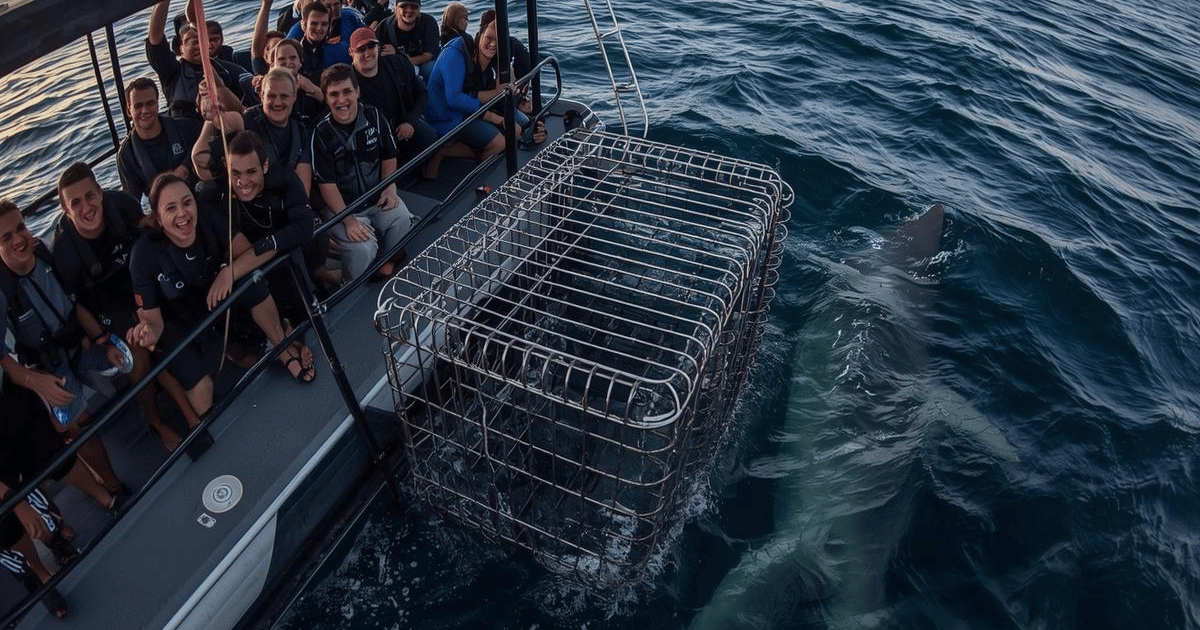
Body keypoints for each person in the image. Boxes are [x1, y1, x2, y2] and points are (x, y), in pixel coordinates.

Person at [127, 174, 317, 422]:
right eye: (170, 208)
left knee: (252, 281)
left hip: (218, 300)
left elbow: (254, 253)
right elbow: (153, 321)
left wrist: (229, 272)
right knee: (201, 390)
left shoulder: (209, 218)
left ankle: (282, 347)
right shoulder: (143, 256)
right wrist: (148, 333)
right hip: (180, 320)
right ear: (158, 218)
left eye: (187, 203)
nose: (183, 214)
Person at [53, 162, 202, 452]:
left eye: (90, 196)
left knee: (176, 305)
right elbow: (79, 307)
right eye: (76, 203)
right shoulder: (64, 252)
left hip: (139, 285)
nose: (86, 207)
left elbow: (150, 237)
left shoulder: (122, 207)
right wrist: (102, 339)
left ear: (100, 192)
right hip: (104, 311)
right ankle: (160, 421)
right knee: (141, 351)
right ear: (66, 210)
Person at [0, 200, 130, 509]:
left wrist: (101, 339)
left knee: (132, 355)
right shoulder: (1, 293)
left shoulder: (44, 253)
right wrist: (38, 383)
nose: (19, 239)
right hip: (46, 368)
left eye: (20, 228)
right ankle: (111, 484)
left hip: (79, 343)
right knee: (76, 421)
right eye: (6, 237)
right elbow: (4, 359)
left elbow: (75, 305)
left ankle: (155, 421)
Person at [310, 64, 413, 281]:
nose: (342, 100)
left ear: (357, 92)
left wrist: (389, 186)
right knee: (363, 249)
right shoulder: (320, 134)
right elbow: (326, 186)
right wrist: (349, 221)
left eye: (347, 92)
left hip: (377, 199)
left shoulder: (374, 116)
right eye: (334, 94)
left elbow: (389, 156)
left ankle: (386, 261)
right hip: (343, 209)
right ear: (327, 99)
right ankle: (350, 283)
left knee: (403, 218)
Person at [217, 130, 325, 317]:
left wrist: (270, 242)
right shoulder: (221, 195)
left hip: (292, 252)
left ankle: (312, 302)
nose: (242, 181)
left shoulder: (285, 181)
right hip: (252, 264)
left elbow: (304, 228)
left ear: (265, 165)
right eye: (235, 173)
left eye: (251, 171)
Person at [424, 19, 530, 178]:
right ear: (479, 36)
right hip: (447, 114)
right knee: (501, 142)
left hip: (471, 107)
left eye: (498, 41)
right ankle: (473, 178)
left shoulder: (492, 59)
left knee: (521, 126)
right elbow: (454, 98)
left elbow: (484, 92)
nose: (493, 45)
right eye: (488, 38)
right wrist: (495, 118)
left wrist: (514, 92)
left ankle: (462, 155)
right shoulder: (455, 54)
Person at [146, 0, 254, 119]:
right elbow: (155, 38)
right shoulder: (172, 71)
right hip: (187, 133)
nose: (199, 45)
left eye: (201, 40)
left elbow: (243, 109)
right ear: (181, 48)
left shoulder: (225, 69)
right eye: (193, 42)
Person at [348, 27, 436, 166]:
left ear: (378, 47)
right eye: (361, 49)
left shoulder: (398, 64)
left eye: (371, 46)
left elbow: (422, 93)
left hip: (400, 126)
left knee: (430, 137)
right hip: (369, 137)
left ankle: (411, 173)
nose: (367, 53)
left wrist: (410, 121)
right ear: (351, 52)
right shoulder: (347, 81)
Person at [116, 77, 203, 205]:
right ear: (129, 110)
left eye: (150, 103)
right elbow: (132, 201)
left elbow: (208, 150)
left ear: (157, 104)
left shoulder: (186, 128)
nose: (144, 111)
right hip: (163, 212)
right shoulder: (126, 155)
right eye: (138, 106)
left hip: (198, 197)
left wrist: (184, 168)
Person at [288, 0, 364, 70]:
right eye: (314, 24)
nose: (319, 28)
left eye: (324, 24)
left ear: (329, 26)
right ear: (303, 25)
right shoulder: (294, 52)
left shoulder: (342, 50)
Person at [377, 0, 439, 82]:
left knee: (432, 68)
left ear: (419, 10)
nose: (409, 10)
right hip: (396, 68)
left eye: (414, 6)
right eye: (403, 6)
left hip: (421, 65)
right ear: (395, 9)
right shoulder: (384, 28)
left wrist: (399, 56)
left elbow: (428, 55)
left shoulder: (429, 23)